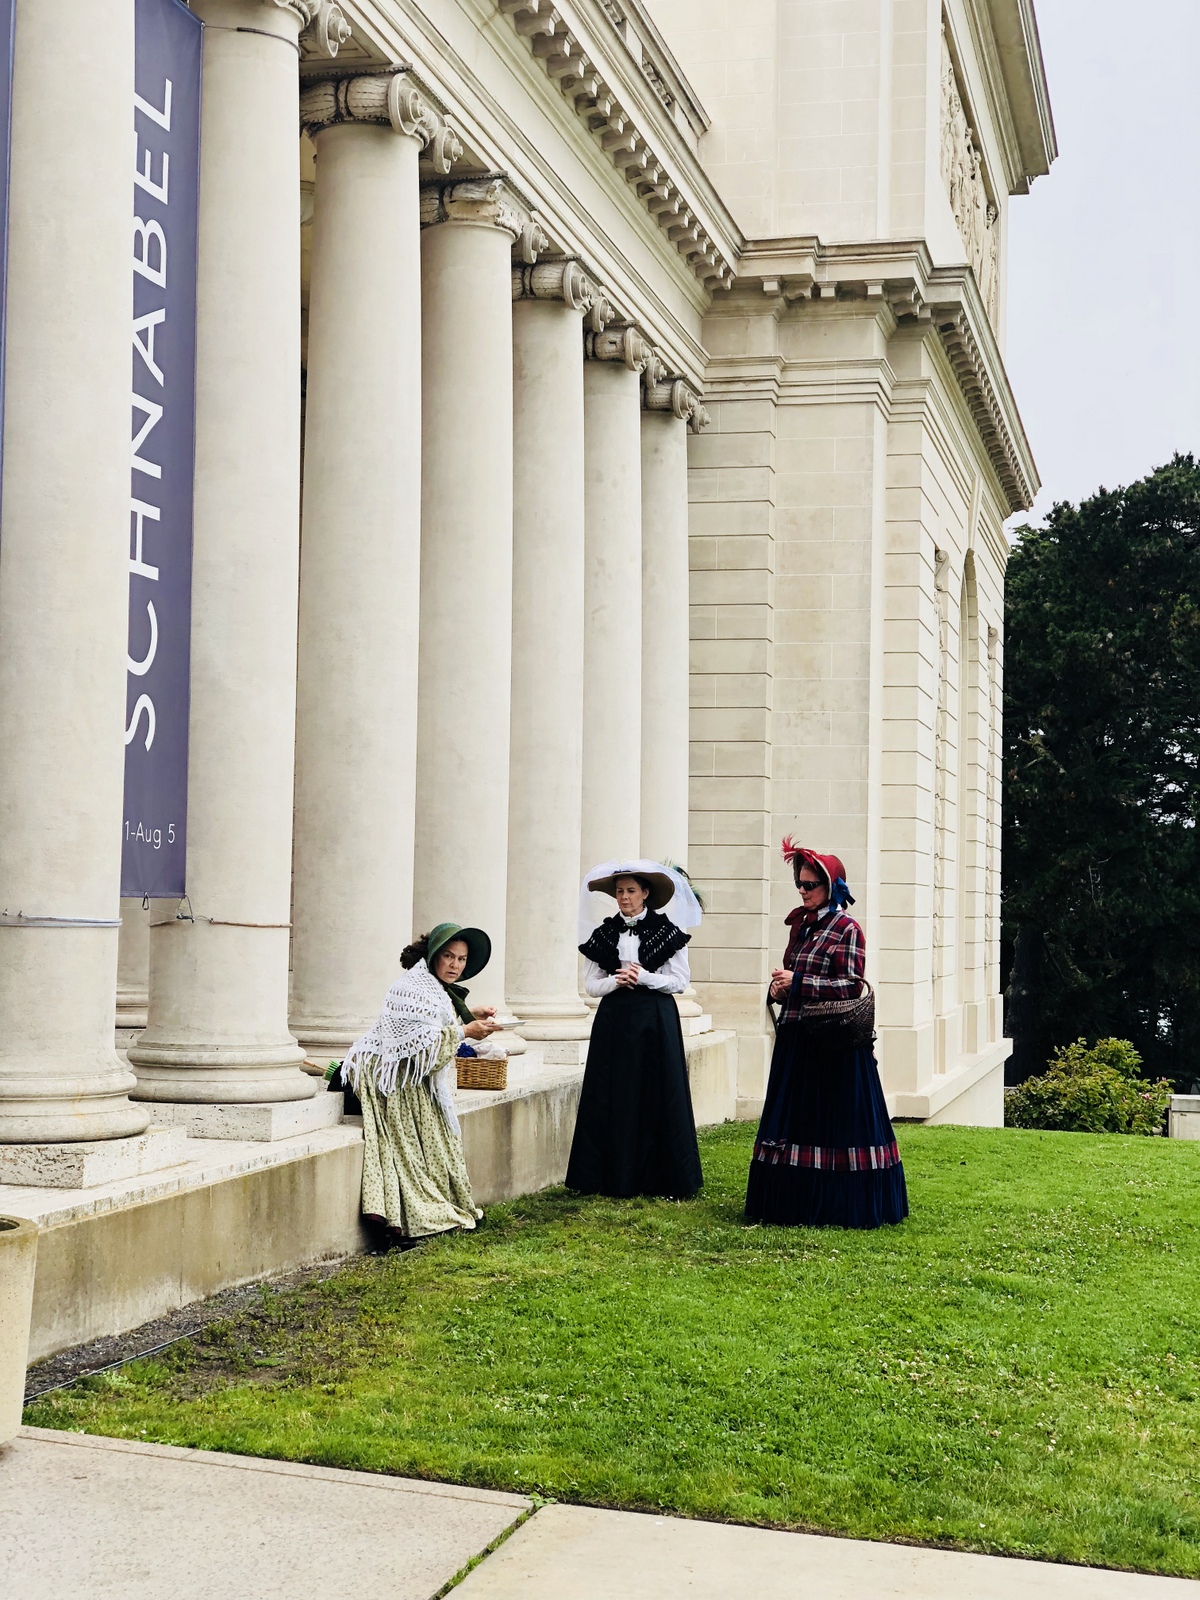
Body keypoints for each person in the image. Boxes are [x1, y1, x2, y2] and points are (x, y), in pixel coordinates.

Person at [745, 840, 908, 1229]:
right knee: (795, 1122)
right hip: (797, 1040)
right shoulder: (802, 927)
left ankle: (838, 1206)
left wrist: (798, 981)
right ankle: (792, 1206)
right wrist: (778, 990)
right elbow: (796, 980)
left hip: (832, 1046)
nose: (803, 891)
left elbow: (851, 986)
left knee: (835, 1125)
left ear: (831, 886)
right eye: (799, 884)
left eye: (810, 885)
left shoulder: (847, 929)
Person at [340, 922, 498, 1251]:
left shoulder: (433, 987)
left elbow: (434, 1026)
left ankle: (438, 1202)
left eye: (462, 959)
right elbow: (421, 1047)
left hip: (409, 1077)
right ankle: (412, 1215)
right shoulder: (411, 987)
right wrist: (466, 1031)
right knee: (404, 1146)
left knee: (436, 1136)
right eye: (448, 956)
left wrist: (470, 1015)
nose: (455, 965)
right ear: (433, 955)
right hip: (387, 1077)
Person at [566, 860, 704, 1199]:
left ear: (645, 893)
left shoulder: (667, 932)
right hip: (615, 1020)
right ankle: (610, 1176)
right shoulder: (604, 934)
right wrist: (616, 981)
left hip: (656, 1019)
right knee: (613, 1091)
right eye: (619, 891)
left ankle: (661, 1178)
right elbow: (591, 986)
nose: (624, 897)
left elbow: (679, 982)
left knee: (659, 1090)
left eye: (630, 890)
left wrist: (643, 977)